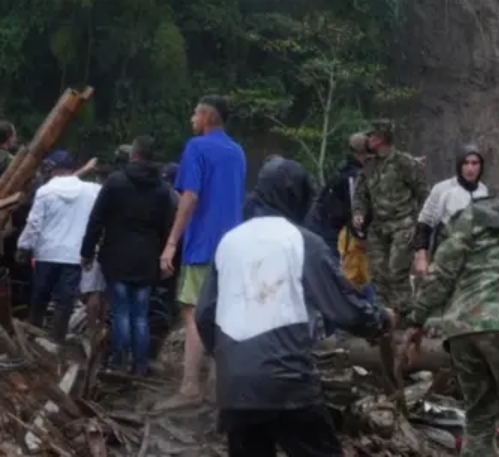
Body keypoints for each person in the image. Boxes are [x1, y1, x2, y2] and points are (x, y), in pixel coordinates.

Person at [195, 157, 394, 457]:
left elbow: (204, 314)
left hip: (235, 388)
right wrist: (380, 321)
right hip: (288, 383)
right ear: (298, 197)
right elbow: (343, 306)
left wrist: (226, 357)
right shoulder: (303, 242)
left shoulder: (229, 242)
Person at [399, 142, 499, 456]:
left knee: (479, 417)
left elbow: (444, 270)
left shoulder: (476, 214)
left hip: (461, 329)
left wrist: (416, 319)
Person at [158, 95, 247, 409]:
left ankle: (190, 386)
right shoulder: (237, 152)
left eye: (195, 114)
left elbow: (190, 197)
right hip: (232, 246)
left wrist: (171, 242)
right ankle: (218, 385)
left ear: (207, 117)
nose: (191, 120)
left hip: (202, 245)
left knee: (193, 313)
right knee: (223, 315)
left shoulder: (196, 148)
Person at [81, 136, 176, 374]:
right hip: (147, 260)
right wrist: (166, 256)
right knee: (140, 314)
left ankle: (118, 361)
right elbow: (168, 227)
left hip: (116, 255)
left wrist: (87, 252)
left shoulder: (115, 182)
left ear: (134, 154)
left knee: (121, 310)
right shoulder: (163, 189)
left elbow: (96, 220)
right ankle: (140, 364)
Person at [15, 151, 102, 342]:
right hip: (74, 255)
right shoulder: (91, 191)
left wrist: (23, 246)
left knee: (40, 295)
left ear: (54, 169)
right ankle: (57, 340)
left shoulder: (45, 191)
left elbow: (34, 223)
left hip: (46, 253)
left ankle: (32, 335)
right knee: (65, 301)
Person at [351, 120, 428, 312]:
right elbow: (360, 194)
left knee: (397, 273)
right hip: (378, 228)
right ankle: (383, 319)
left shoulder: (404, 163)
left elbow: (422, 193)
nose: (368, 139)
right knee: (378, 275)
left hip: (403, 226)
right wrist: (358, 213)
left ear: (381, 138)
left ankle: (405, 319)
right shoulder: (369, 167)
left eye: (372, 136)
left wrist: (419, 225)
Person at [414, 143, 489, 273]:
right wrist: (421, 258)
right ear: (459, 165)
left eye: (474, 163)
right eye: (465, 163)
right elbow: (424, 223)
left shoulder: (483, 191)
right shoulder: (442, 189)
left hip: (473, 262)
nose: (470, 168)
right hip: (445, 259)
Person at [307, 133, 370, 255]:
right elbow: (355, 211)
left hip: (324, 232)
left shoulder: (343, 170)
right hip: (331, 236)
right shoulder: (353, 176)